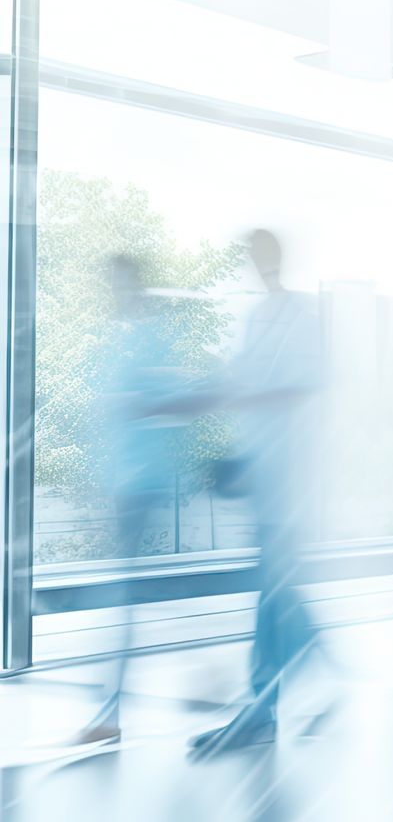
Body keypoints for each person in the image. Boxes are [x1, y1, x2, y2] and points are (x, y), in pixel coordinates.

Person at [189, 230, 327, 757]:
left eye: (260, 254)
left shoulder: (304, 321)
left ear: (277, 258)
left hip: (290, 470)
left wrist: (245, 394)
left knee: (276, 591)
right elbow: (240, 381)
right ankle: (282, 699)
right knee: (276, 591)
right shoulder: (255, 320)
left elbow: (304, 387)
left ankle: (269, 707)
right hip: (263, 465)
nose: (254, 264)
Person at [73, 254, 191, 745]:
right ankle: (117, 707)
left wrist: (138, 407)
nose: (115, 291)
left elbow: (172, 405)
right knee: (126, 596)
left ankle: (110, 712)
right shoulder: (122, 339)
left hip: (142, 484)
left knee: (121, 597)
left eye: (120, 282)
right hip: (126, 483)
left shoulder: (148, 338)